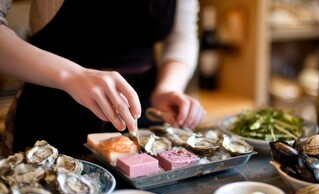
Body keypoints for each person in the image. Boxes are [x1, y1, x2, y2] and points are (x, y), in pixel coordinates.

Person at [0, 0, 206, 157]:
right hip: (53, 110)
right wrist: (72, 75)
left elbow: (182, 36)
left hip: (142, 112)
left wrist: (167, 88)